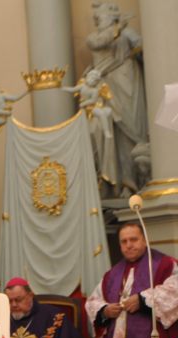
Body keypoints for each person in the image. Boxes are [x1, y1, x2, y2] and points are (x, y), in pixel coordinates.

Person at [86, 222, 178, 338]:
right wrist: (105, 310)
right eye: (124, 241)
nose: (128, 245)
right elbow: (93, 301)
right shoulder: (112, 274)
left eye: (133, 239)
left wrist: (143, 300)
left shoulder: (164, 265)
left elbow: (174, 290)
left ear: (144, 240)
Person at [85, 1, 148, 195]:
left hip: (129, 80)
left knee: (134, 128)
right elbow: (98, 42)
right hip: (109, 86)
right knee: (117, 133)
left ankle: (139, 176)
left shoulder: (127, 33)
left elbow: (142, 48)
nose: (97, 21)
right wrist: (118, 29)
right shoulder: (95, 37)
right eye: (97, 18)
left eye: (100, 17)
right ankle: (124, 181)